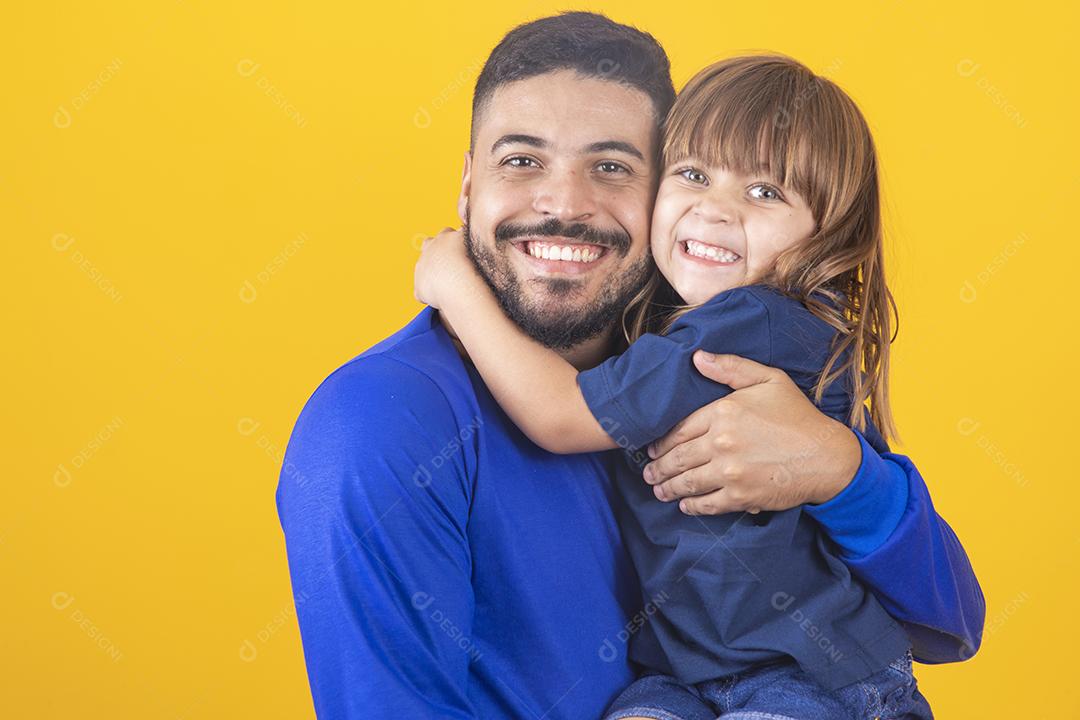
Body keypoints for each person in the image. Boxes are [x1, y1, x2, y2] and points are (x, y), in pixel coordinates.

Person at [276, 13, 984, 720]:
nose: (564, 204)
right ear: (467, 186)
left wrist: (841, 469)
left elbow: (950, 621)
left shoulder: (726, 350)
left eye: (611, 167)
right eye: (521, 160)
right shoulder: (383, 420)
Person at [415, 53, 940, 720]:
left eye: (764, 192)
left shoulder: (750, 323)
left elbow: (559, 414)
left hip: (812, 675)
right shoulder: (684, 318)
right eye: (693, 175)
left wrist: (456, 287)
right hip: (689, 672)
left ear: (828, 232)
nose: (714, 210)